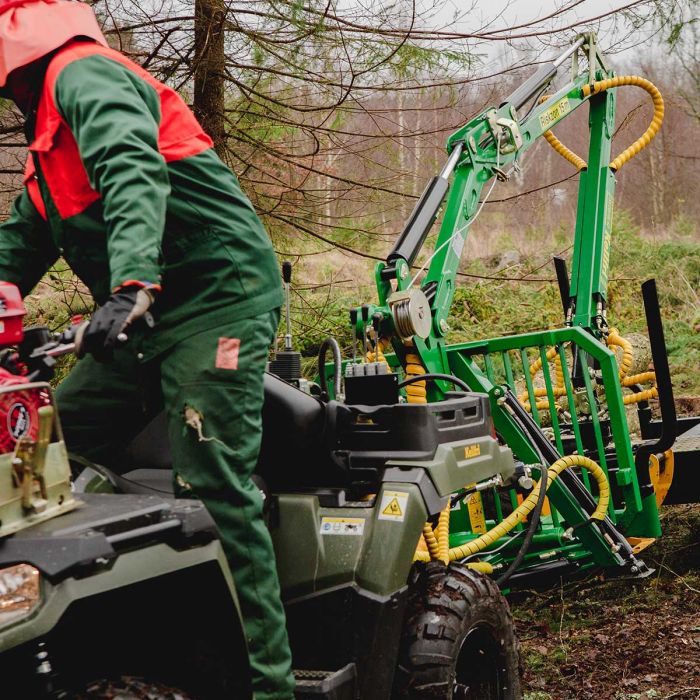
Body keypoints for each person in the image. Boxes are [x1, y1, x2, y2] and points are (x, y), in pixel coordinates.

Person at [0, 1, 295, 697]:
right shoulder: (47, 146)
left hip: (216, 295)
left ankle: (267, 685)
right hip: (147, 316)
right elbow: (18, 244)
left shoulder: (84, 76)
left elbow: (134, 169)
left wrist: (131, 282)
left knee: (212, 479)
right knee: (47, 450)